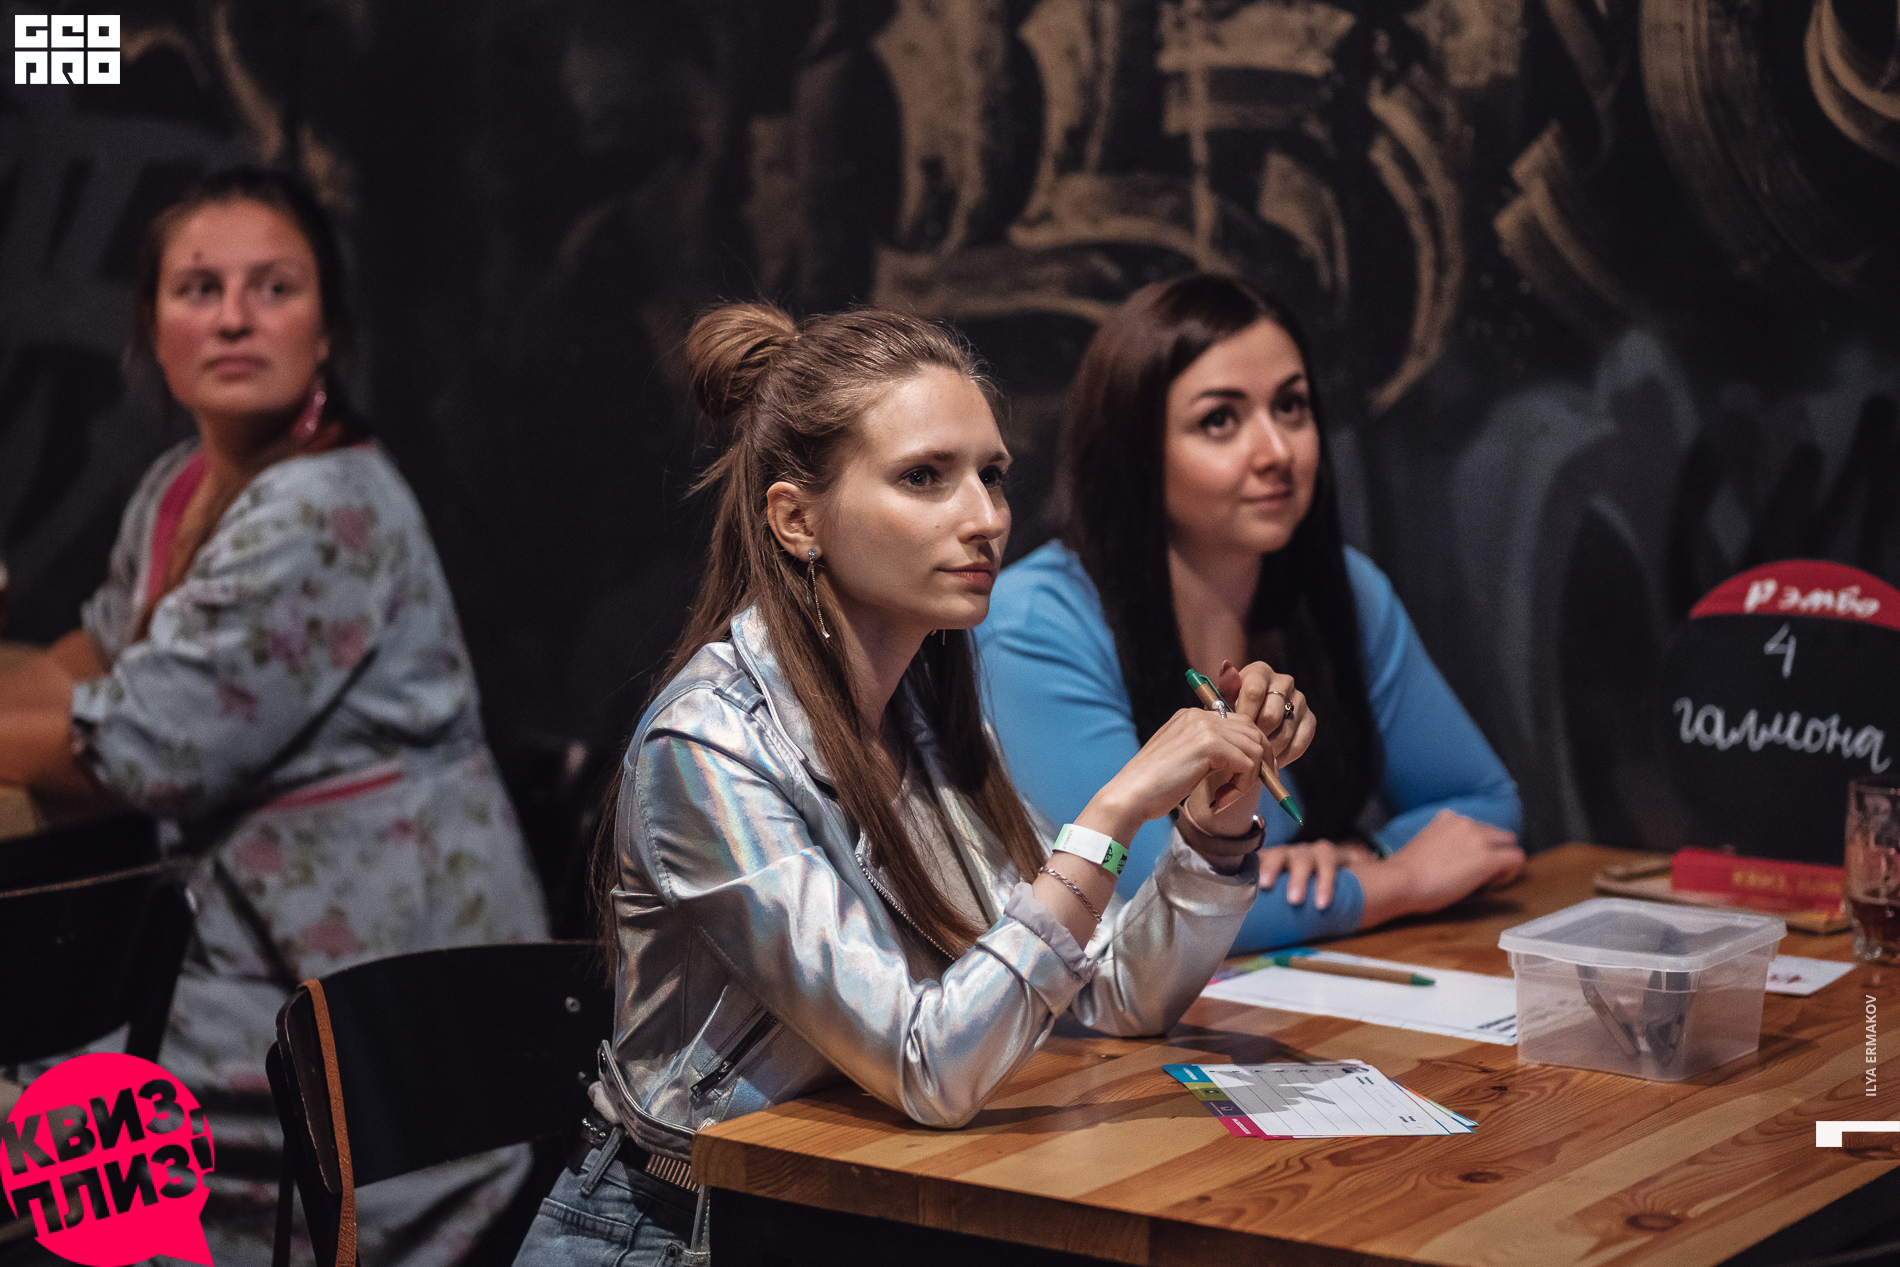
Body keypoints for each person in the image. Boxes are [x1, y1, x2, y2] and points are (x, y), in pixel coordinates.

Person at [513, 303, 1311, 1266]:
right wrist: (1114, 811)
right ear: (796, 520)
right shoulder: (710, 746)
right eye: (925, 477)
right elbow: (927, 1061)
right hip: (675, 1233)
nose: (986, 518)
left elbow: (1108, 996)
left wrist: (1213, 829)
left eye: (991, 474)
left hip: (845, 1212)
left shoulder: (925, 724)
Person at [0, 168, 548, 1266]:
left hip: (384, 1021)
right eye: (199, 288)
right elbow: (91, 657)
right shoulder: (182, 484)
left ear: (327, 327)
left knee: (30, 1113)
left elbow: (132, 752)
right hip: (253, 966)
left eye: (275, 287)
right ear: (151, 327)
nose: (235, 317)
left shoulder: (325, 506)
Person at [974, 274, 1524, 954]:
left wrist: (1358, 853)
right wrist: (1397, 881)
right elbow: (1156, 905)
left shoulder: (1342, 590)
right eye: (1220, 421)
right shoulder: (1035, 623)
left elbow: (1486, 810)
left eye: (1291, 407)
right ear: (1134, 449)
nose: (1276, 452)